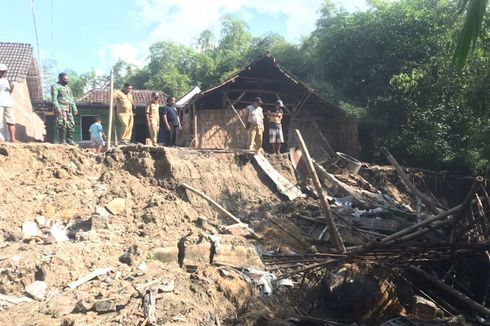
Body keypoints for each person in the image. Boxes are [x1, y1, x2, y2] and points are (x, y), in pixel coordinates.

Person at [52, 72, 78, 145]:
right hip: (61, 108)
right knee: (62, 123)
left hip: (68, 109)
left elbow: (71, 99)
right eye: (65, 79)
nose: (67, 81)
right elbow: (54, 99)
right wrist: (57, 108)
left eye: (67, 79)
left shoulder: (68, 88)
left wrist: (75, 108)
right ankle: (62, 141)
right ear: (60, 79)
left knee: (71, 123)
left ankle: (69, 140)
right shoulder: (55, 86)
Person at [0, 64, 17, 143]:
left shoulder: (7, 80)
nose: (2, 73)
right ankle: (0, 139)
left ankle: (12, 139)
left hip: (8, 103)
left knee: (11, 121)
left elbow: (9, 92)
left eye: (4, 71)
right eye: (1, 71)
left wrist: (12, 87)